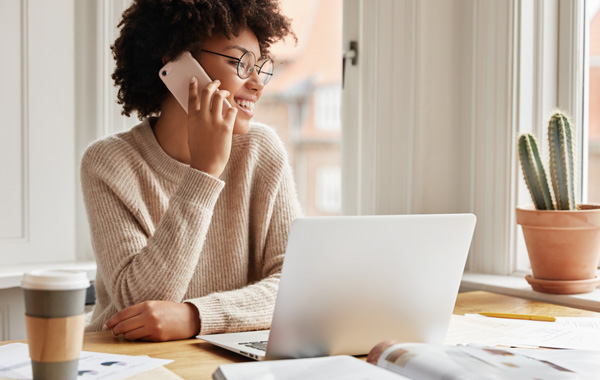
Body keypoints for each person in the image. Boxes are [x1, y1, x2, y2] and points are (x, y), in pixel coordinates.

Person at [81, 0, 301, 342]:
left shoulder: (262, 150)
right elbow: (143, 306)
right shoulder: (109, 162)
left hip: (221, 357)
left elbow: (296, 287)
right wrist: (205, 172)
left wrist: (195, 317)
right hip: (127, 360)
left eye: (260, 65)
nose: (257, 83)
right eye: (240, 62)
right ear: (177, 62)